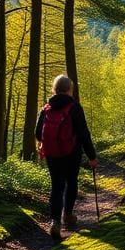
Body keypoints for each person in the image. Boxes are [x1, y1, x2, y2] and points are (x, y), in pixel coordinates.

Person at [35, 74, 98, 241]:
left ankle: (54, 222)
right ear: (70, 89)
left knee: (56, 185)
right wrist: (92, 156)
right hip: (71, 152)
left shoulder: (47, 107)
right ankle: (68, 216)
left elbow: (37, 132)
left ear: (54, 89)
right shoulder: (74, 107)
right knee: (71, 181)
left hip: (52, 153)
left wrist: (46, 143)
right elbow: (84, 134)